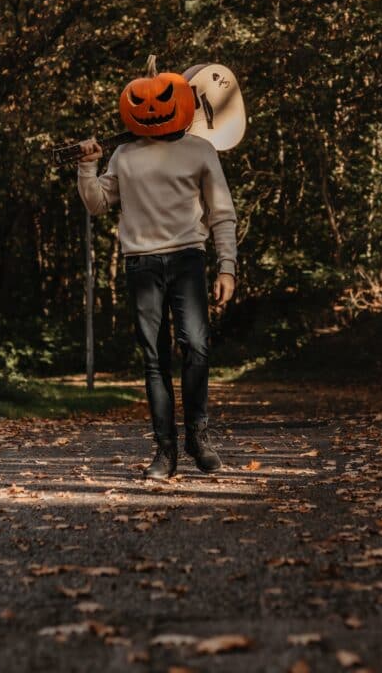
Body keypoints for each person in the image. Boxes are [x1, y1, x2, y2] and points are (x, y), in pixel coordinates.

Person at [76, 88, 237, 480]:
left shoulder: (201, 150)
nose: (150, 108)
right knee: (154, 359)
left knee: (196, 346)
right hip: (141, 264)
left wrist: (227, 266)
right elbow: (97, 203)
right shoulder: (123, 155)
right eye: (140, 101)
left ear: (180, 104)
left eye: (162, 98)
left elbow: (222, 211)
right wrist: (86, 167)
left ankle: (198, 435)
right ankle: (165, 450)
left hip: (188, 259)